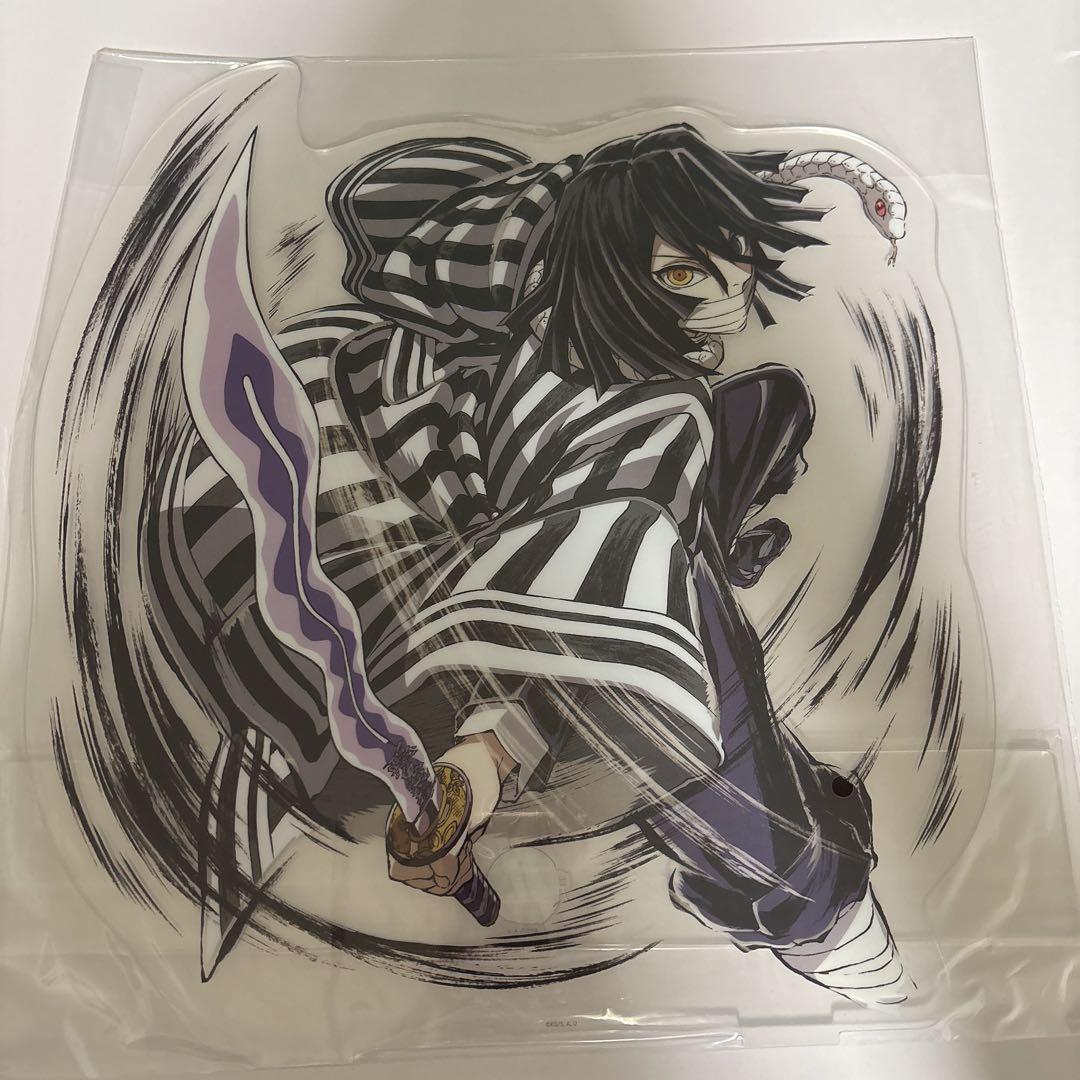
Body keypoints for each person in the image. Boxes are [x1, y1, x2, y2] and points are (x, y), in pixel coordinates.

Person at [302, 123, 911, 1004]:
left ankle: (698, 556)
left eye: (731, 258)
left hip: (548, 513)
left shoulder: (547, 272)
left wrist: (784, 170)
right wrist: (476, 770)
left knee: (766, 404)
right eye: (683, 275)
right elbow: (565, 621)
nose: (729, 292)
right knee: (734, 785)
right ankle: (826, 925)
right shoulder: (651, 416)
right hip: (550, 579)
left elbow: (401, 202)